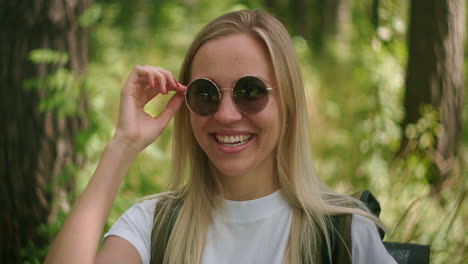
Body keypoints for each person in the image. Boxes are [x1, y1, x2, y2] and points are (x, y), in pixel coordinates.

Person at [45, 9, 396, 264]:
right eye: (206, 94)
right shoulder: (153, 227)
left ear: (288, 103)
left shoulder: (344, 236)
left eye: (250, 91)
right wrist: (123, 145)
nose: (226, 115)